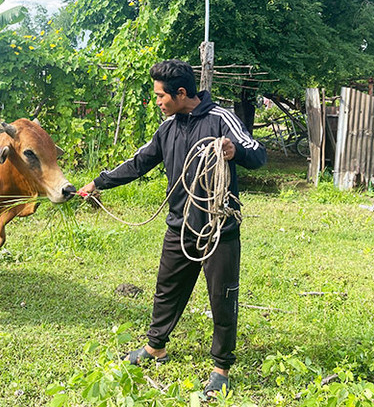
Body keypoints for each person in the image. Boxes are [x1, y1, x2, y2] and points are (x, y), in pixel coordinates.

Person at [77, 59, 266, 398]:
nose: (158, 102)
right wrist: (98, 183)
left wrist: (233, 150)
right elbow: (139, 163)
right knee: (166, 291)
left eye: (161, 96)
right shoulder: (167, 128)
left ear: (181, 93)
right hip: (179, 227)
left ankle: (221, 367)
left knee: (222, 299)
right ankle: (155, 347)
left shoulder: (220, 119)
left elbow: (257, 152)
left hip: (217, 228)